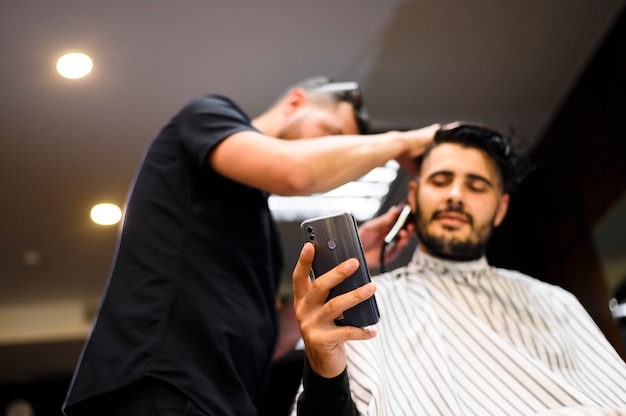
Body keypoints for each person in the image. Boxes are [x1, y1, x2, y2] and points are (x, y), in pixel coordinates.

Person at [61, 75, 441, 416]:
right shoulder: (208, 114)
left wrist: (360, 266)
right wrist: (403, 140)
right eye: (329, 132)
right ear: (295, 102)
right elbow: (296, 172)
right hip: (160, 384)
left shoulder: (258, 225)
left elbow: (268, 342)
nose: (329, 151)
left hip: (224, 399)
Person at [291, 123, 626, 415]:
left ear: (500, 208)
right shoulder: (362, 306)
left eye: (476, 186)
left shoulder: (555, 302)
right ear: (414, 196)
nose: (455, 195)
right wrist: (324, 372)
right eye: (440, 180)